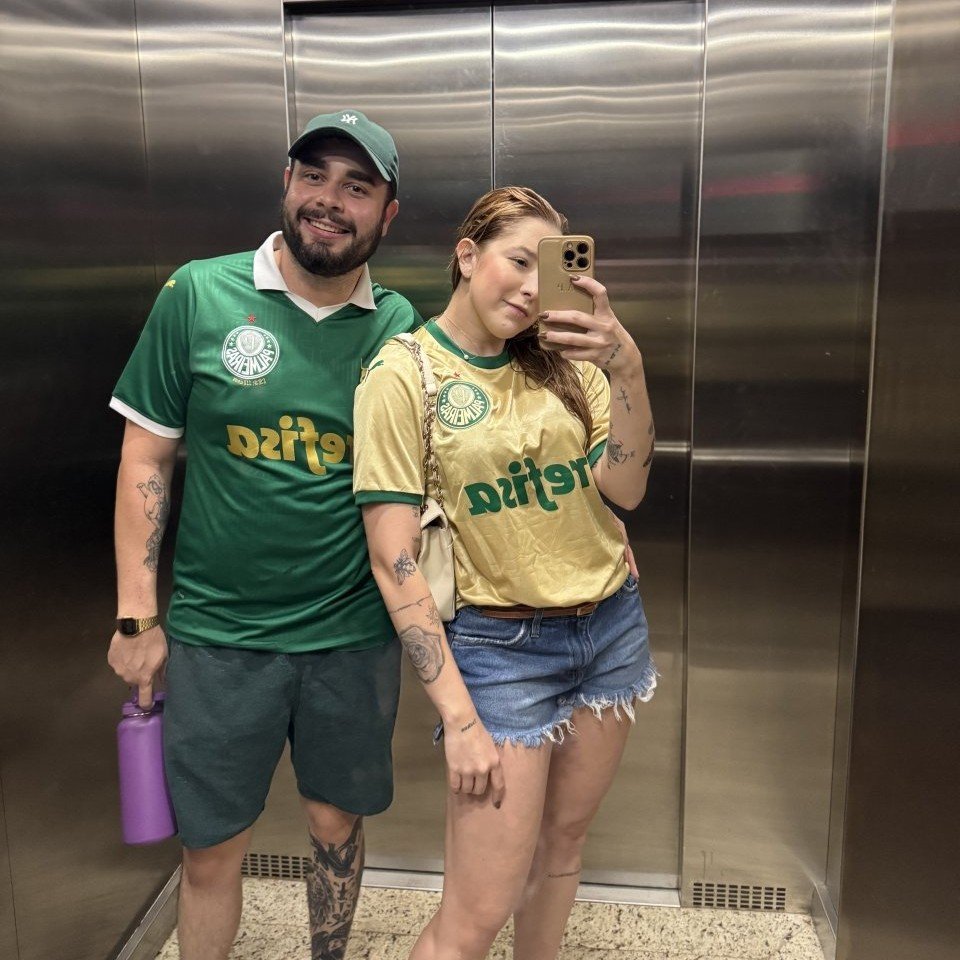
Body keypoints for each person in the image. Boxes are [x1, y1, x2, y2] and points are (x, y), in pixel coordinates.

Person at [106, 109, 420, 960]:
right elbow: (146, 456)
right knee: (211, 848)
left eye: (357, 187)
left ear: (388, 213)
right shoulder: (198, 294)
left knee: (335, 824)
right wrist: (137, 617)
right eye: (313, 175)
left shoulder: (399, 327)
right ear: (286, 182)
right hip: (218, 637)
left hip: (351, 636)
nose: (329, 200)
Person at [353, 186, 658, 960]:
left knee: (563, 846)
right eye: (517, 261)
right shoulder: (404, 373)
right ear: (466, 255)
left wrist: (626, 367)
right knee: (477, 913)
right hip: (500, 653)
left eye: (546, 271)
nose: (530, 289)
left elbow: (624, 490)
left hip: (610, 628)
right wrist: (459, 720)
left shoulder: (566, 364)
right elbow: (393, 560)